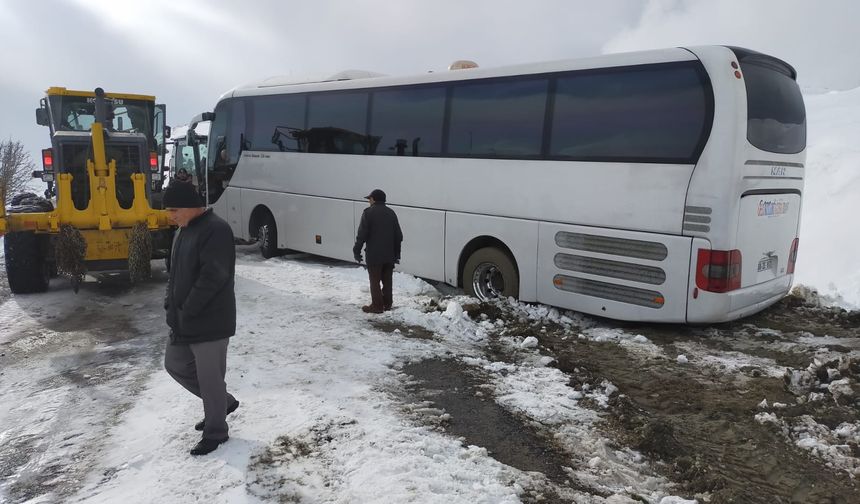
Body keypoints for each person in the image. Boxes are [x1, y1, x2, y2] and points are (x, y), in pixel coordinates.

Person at [162, 179, 239, 456]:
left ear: (191, 206)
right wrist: (170, 303)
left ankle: (216, 432)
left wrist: (188, 309)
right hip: (184, 320)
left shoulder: (216, 229)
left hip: (210, 321)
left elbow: (213, 276)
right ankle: (222, 402)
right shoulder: (183, 231)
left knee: (210, 378)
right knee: (175, 364)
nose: (170, 216)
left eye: (174, 210)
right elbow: (174, 274)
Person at [353, 188, 403, 313]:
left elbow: (362, 235)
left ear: (374, 199)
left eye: (369, 199)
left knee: (374, 281)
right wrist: (397, 254)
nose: (369, 201)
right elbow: (399, 236)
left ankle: (377, 306)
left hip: (374, 255)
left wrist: (356, 251)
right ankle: (387, 304)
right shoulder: (391, 213)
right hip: (389, 255)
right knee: (387, 281)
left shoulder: (368, 213)